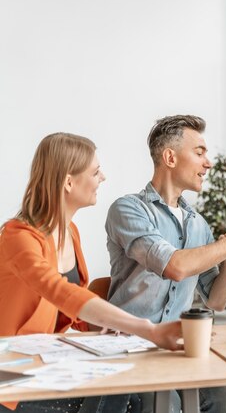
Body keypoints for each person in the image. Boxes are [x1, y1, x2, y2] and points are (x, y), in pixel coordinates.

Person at [105, 115, 226, 413]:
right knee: (168, 403)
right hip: (132, 346)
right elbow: (174, 265)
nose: (208, 162)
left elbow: (215, 300)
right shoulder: (129, 209)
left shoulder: (197, 224)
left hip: (179, 346)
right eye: (199, 152)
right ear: (170, 157)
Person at [0, 133, 183, 413]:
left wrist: (101, 327)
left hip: (46, 360)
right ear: (69, 182)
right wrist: (148, 330)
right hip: (12, 376)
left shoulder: (70, 232)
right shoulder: (18, 236)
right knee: (122, 397)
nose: (103, 178)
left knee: (141, 395)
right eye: (96, 172)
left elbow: (66, 310)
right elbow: (59, 291)